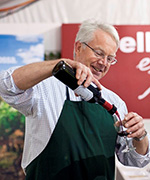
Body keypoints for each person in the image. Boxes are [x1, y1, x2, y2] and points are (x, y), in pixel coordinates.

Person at [0, 19, 150, 180]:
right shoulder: (44, 88)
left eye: (110, 58)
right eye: (99, 53)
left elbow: (135, 160)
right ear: (78, 47)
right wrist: (58, 65)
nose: (103, 63)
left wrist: (140, 136)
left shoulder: (115, 102)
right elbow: (6, 86)